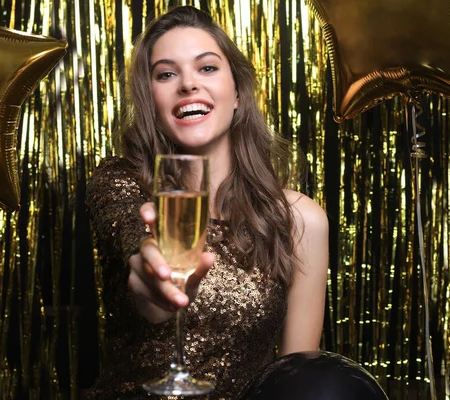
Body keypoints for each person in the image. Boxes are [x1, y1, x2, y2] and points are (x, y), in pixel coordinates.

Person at [83, 5, 328, 399]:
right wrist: (157, 282)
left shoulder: (300, 220)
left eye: (207, 68)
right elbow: (134, 239)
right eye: (166, 74)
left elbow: (295, 381)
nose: (188, 85)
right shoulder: (118, 180)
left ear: (237, 95)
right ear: (152, 102)